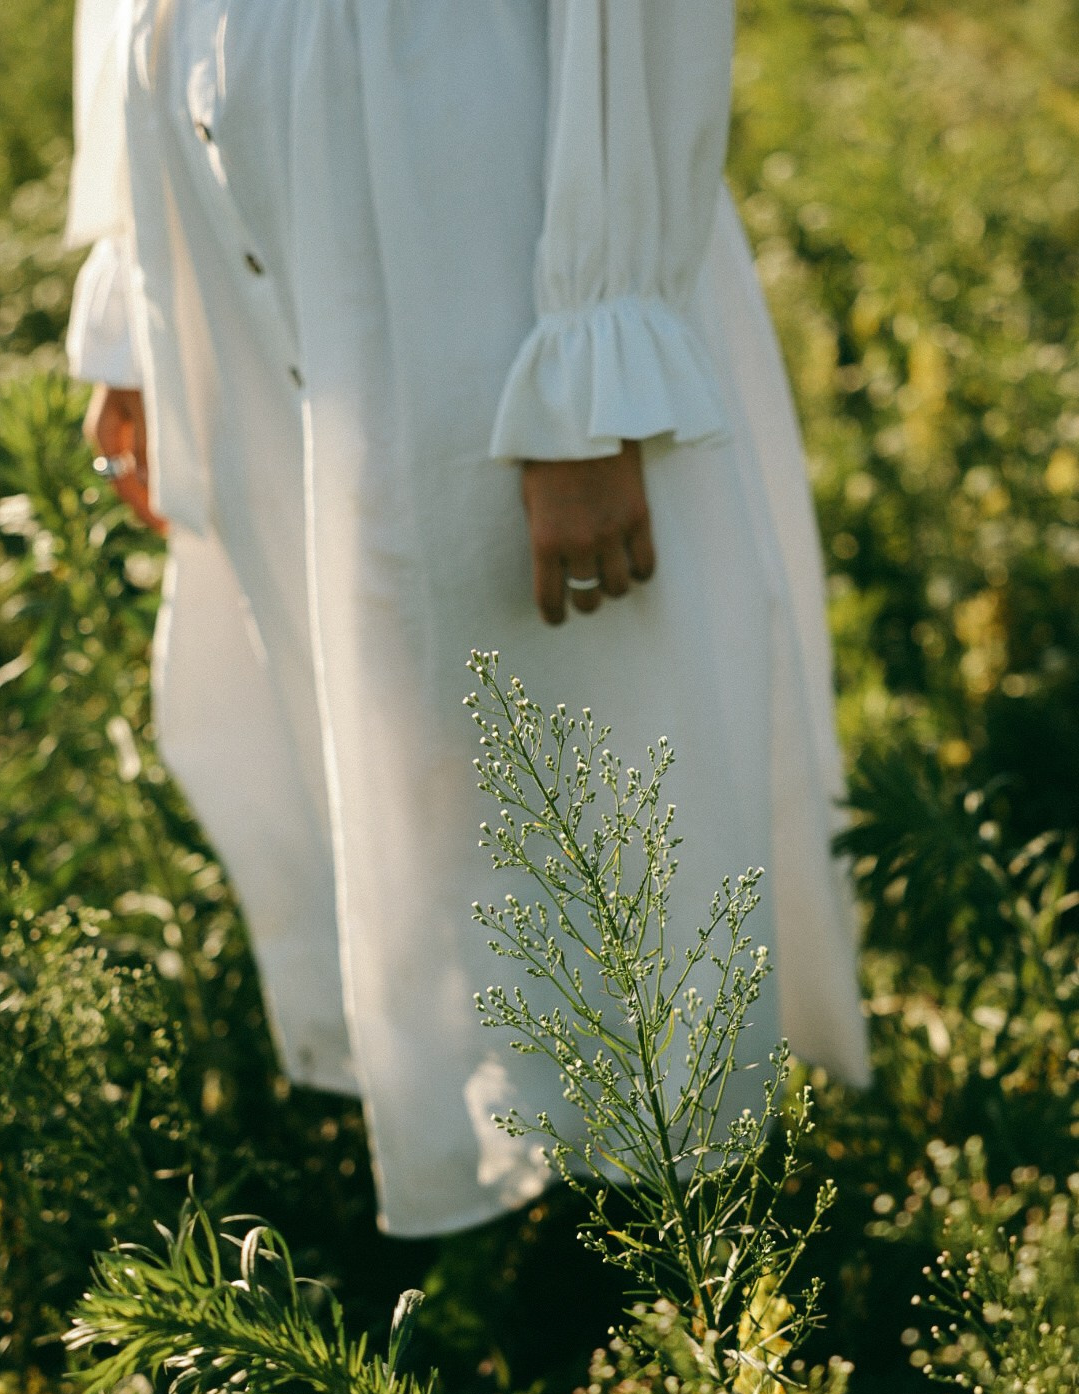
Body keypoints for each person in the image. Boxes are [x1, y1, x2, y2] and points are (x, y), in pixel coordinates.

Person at [67, 0, 868, 1238]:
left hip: (475, 186)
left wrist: (595, 334)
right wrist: (130, 263)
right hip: (236, 172)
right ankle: (467, 1130)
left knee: (585, 709)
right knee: (363, 700)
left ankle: (678, 1226)